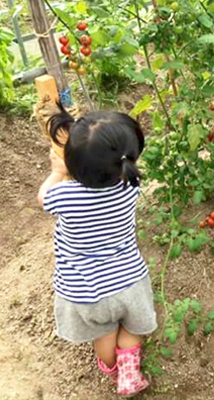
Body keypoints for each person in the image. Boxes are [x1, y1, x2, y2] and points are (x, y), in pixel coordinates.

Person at [37, 104, 156, 397]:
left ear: (73, 166)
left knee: (103, 332)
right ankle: (130, 370)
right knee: (132, 328)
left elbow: (43, 198)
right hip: (128, 281)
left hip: (86, 289)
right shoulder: (131, 186)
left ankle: (111, 365)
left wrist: (57, 172)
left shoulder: (64, 196)